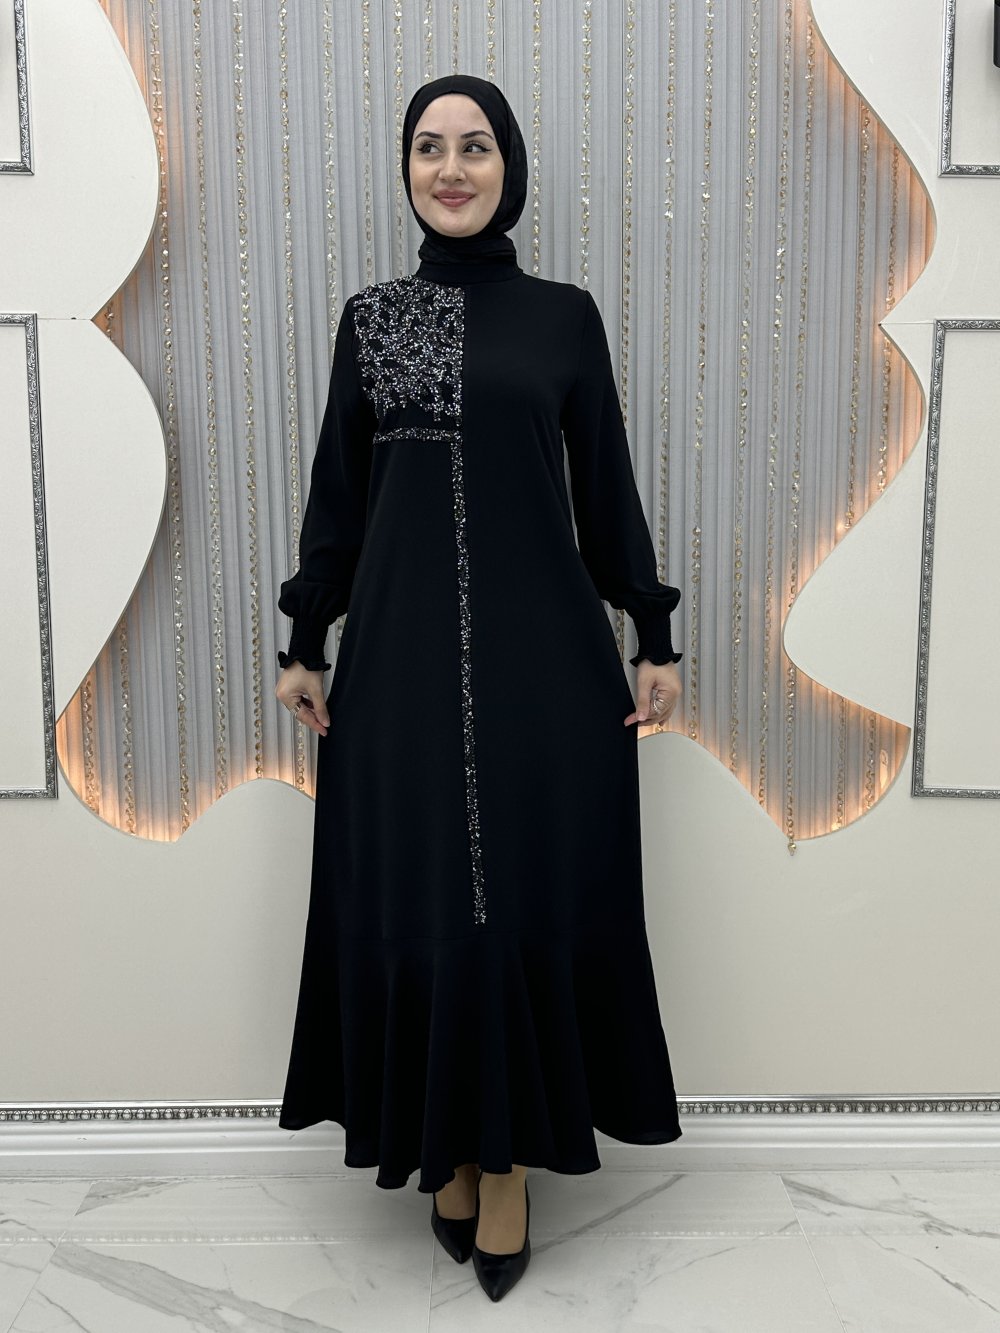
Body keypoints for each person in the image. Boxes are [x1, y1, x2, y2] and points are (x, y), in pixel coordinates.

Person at [274, 73, 684, 1304]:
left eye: (475, 146)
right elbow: (342, 493)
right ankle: (447, 1145)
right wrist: (306, 636)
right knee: (430, 903)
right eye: (427, 147)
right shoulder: (378, 318)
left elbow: (602, 482)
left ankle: (501, 1163)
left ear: (510, 166)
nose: (450, 168)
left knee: (514, 900)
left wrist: (652, 629)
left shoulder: (560, 318)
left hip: (542, 666)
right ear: (405, 170)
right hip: (398, 666)